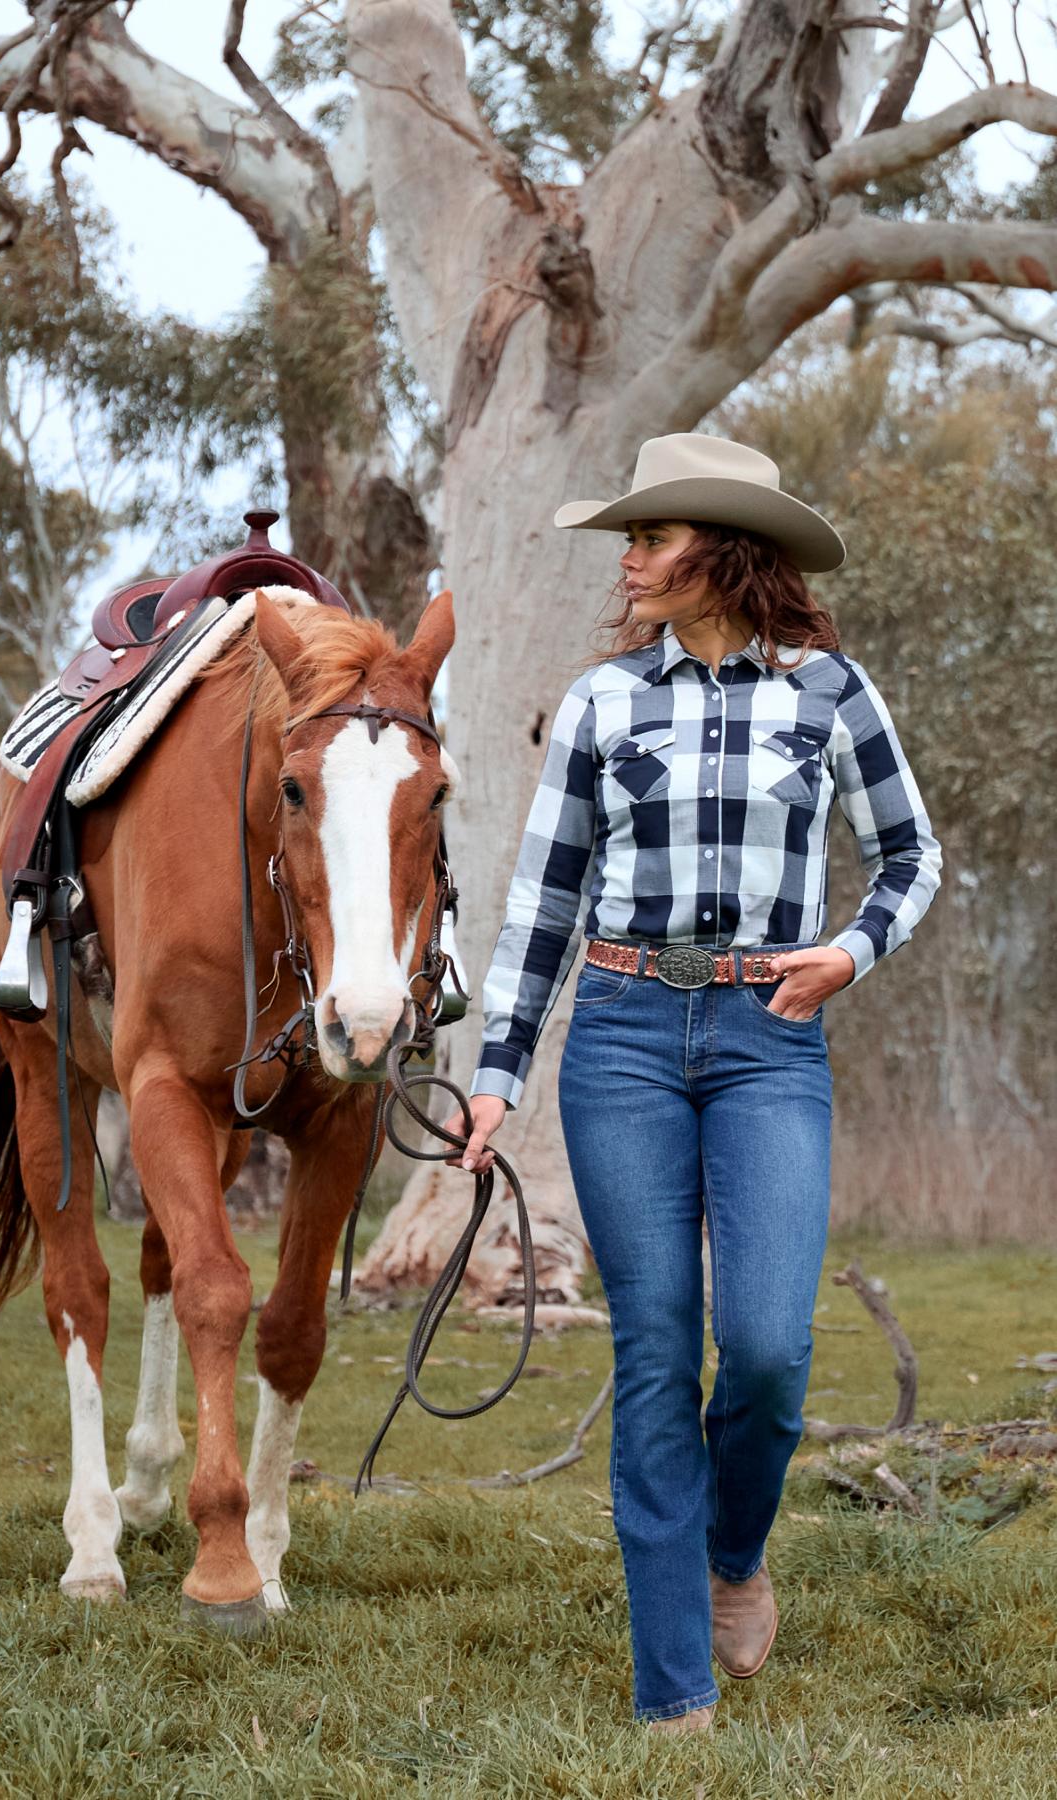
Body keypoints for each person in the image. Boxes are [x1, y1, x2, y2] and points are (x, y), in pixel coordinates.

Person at [444, 432, 942, 1735]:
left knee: (770, 1350)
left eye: (652, 536)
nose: (632, 561)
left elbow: (910, 858)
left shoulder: (833, 695)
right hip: (617, 1038)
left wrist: (847, 953)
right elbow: (540, 908)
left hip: (772, 1037)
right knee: (658, 1347)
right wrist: (496, 1075)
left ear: (722, 546)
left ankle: (733, 1553)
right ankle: (673, 1691)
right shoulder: (605, 704)